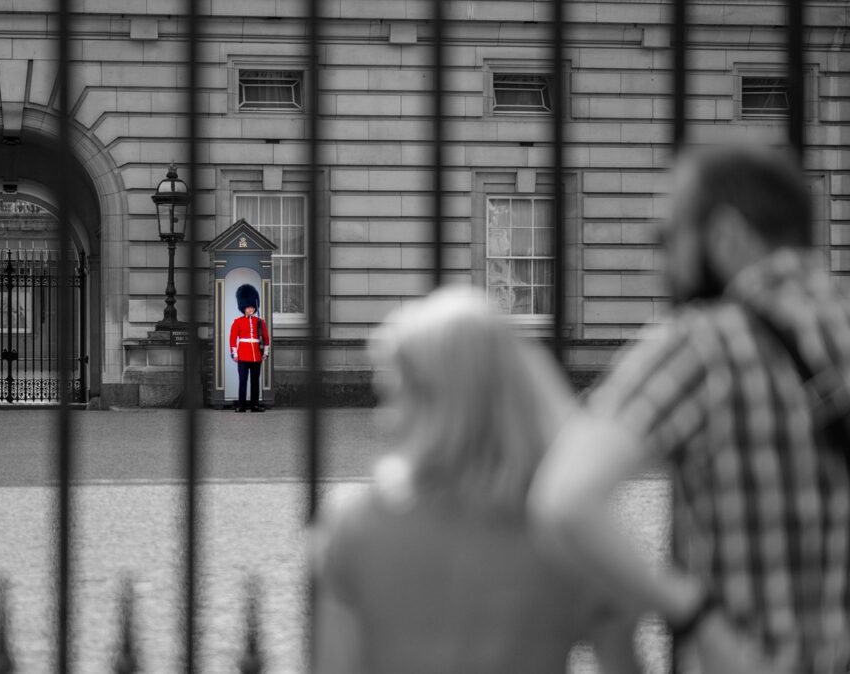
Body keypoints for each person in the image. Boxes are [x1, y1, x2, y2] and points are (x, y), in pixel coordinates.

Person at [528, 144, 850, 673]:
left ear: (725, 235)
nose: (660, 260)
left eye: (666, 236)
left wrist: (692, 612)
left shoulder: (702, 344)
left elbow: (563, 498)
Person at [313, 286, 639, 674]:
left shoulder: (354, 525)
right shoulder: (566, 539)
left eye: (395, 397)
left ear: (433, 402)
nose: (382, 419)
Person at [229, 283, 270, 413]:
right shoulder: (238, 321)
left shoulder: (260, 322)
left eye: (252, 306)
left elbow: (266, 337)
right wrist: (234, 354)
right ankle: (241, 405)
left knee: (255, 382)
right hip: (243, 355)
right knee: (243, 381)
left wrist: (265, 352)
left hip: (256, 355)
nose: (251, 309)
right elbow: (232, 338)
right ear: (243, 307)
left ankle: (255, 405)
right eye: (248, 307)